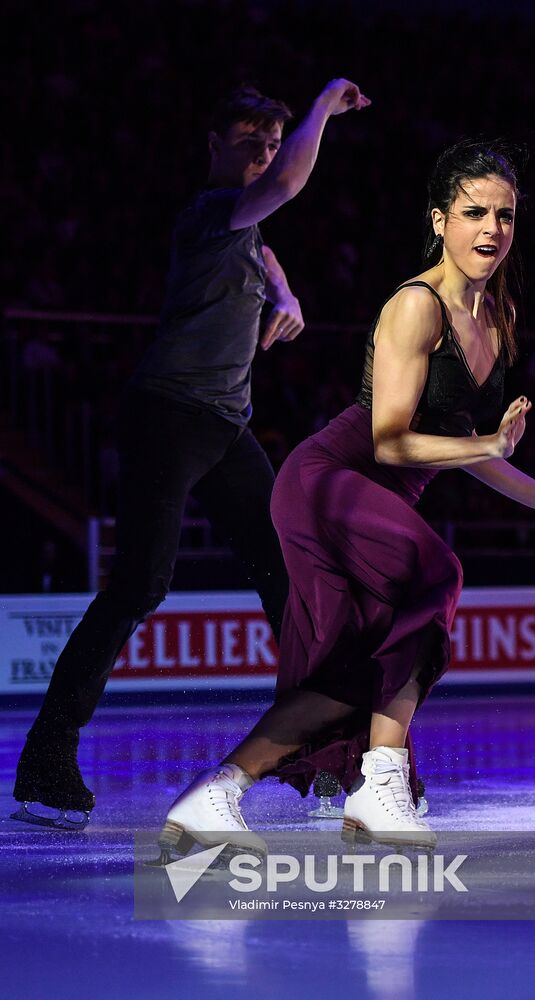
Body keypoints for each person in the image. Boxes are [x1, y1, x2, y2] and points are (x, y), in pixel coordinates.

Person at [158, 139, 535, 855]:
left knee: (361, 662)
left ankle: (218, 793)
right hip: (329, 485)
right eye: (472, 212)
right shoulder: (414, 306)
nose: (490, 229)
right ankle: (381, 777)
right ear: (438, 221)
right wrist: (489, 445)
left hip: (371, 501)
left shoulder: (494, 317)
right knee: (438, 575)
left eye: (504, 216)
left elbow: (459, 442)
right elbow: (393, 442)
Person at [12, 79, 371, 829]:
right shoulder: (209, 214)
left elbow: (266, 250)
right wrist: (321, 109)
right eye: (249, 143)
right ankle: (47, 760)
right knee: (140, 583)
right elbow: (282, 190)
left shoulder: (243, 233)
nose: (264, 156)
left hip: (225, 427)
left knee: (292, 583)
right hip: (166, 417)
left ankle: (316, 756)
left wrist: (288, 295)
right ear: (213, 146)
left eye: (271, 143)